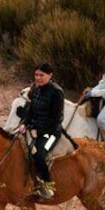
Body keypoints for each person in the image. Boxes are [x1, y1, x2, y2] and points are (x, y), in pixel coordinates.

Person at [15, 63, 65, 201]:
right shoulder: (36, 90)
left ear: (50, 75)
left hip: (51, 133)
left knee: (39, 155)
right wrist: (24, 124)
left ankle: (47, 188)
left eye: (41, 75)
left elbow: (57, 119)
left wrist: (38, 129)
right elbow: (30, 112)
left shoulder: (57, 92)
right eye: (36, 75)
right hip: (33, 129)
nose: (38, 78)